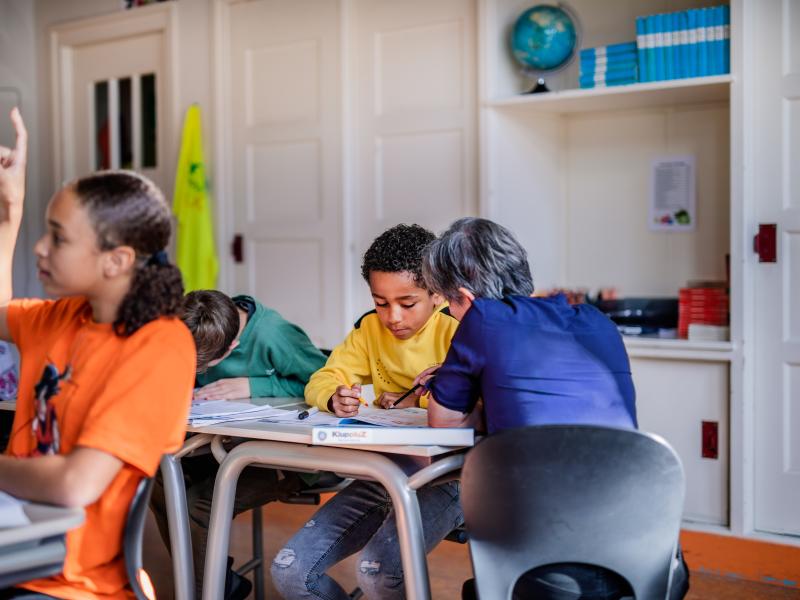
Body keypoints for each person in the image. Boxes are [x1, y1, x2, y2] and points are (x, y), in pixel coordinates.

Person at [418, 216, 689, 600]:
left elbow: (443, 423)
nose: (450, 314)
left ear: (465, 296)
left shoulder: (482, 319)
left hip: (542, 558)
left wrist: (471, 397)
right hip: (644, 554)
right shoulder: (595, 319)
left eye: (448, 304)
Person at [0, 108, 195, 599]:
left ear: (117, 259)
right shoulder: (62, 316)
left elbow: (74, 485)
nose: (40, 249)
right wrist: (9, 210)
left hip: (68, 584)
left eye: (58, 237)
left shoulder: (160, 344)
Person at [271, 224, 461, 600]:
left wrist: (414, 400)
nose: (393, 317)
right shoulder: (368, 329)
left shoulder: (459, 327)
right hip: (385, 471)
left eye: (407, 303)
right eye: (380, 302)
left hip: (449, 477)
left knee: (377, 573)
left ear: (437, 293)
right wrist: (333, 396)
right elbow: (323, 377)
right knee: (290, 570)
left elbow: (472, 401)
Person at [150, 289, 328, 600]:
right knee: (158, 476)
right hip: (224, 446)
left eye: (204, 368)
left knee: (199, 505)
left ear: (233, 346)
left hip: (284, 458)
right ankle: (216, 583)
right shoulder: (199, 323)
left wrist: (256, 384)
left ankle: (207, 588)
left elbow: (325, 383)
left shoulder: (273, 335)